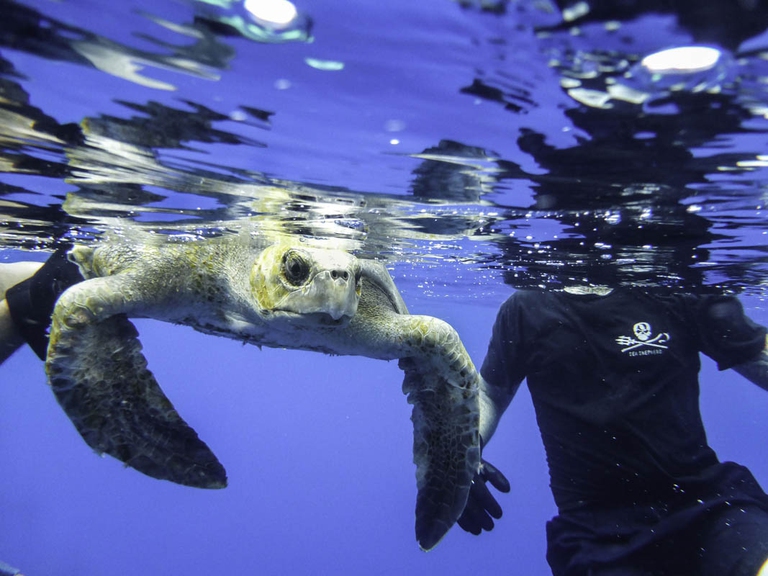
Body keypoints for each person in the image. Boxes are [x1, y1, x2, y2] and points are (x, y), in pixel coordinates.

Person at [459, 285, 768, 576]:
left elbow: (754, 354)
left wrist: (732, 326)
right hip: (596, 529)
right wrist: (459, 453)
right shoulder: (527, 308)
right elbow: (491, 392)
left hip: (709, 502)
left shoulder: (673, 287)